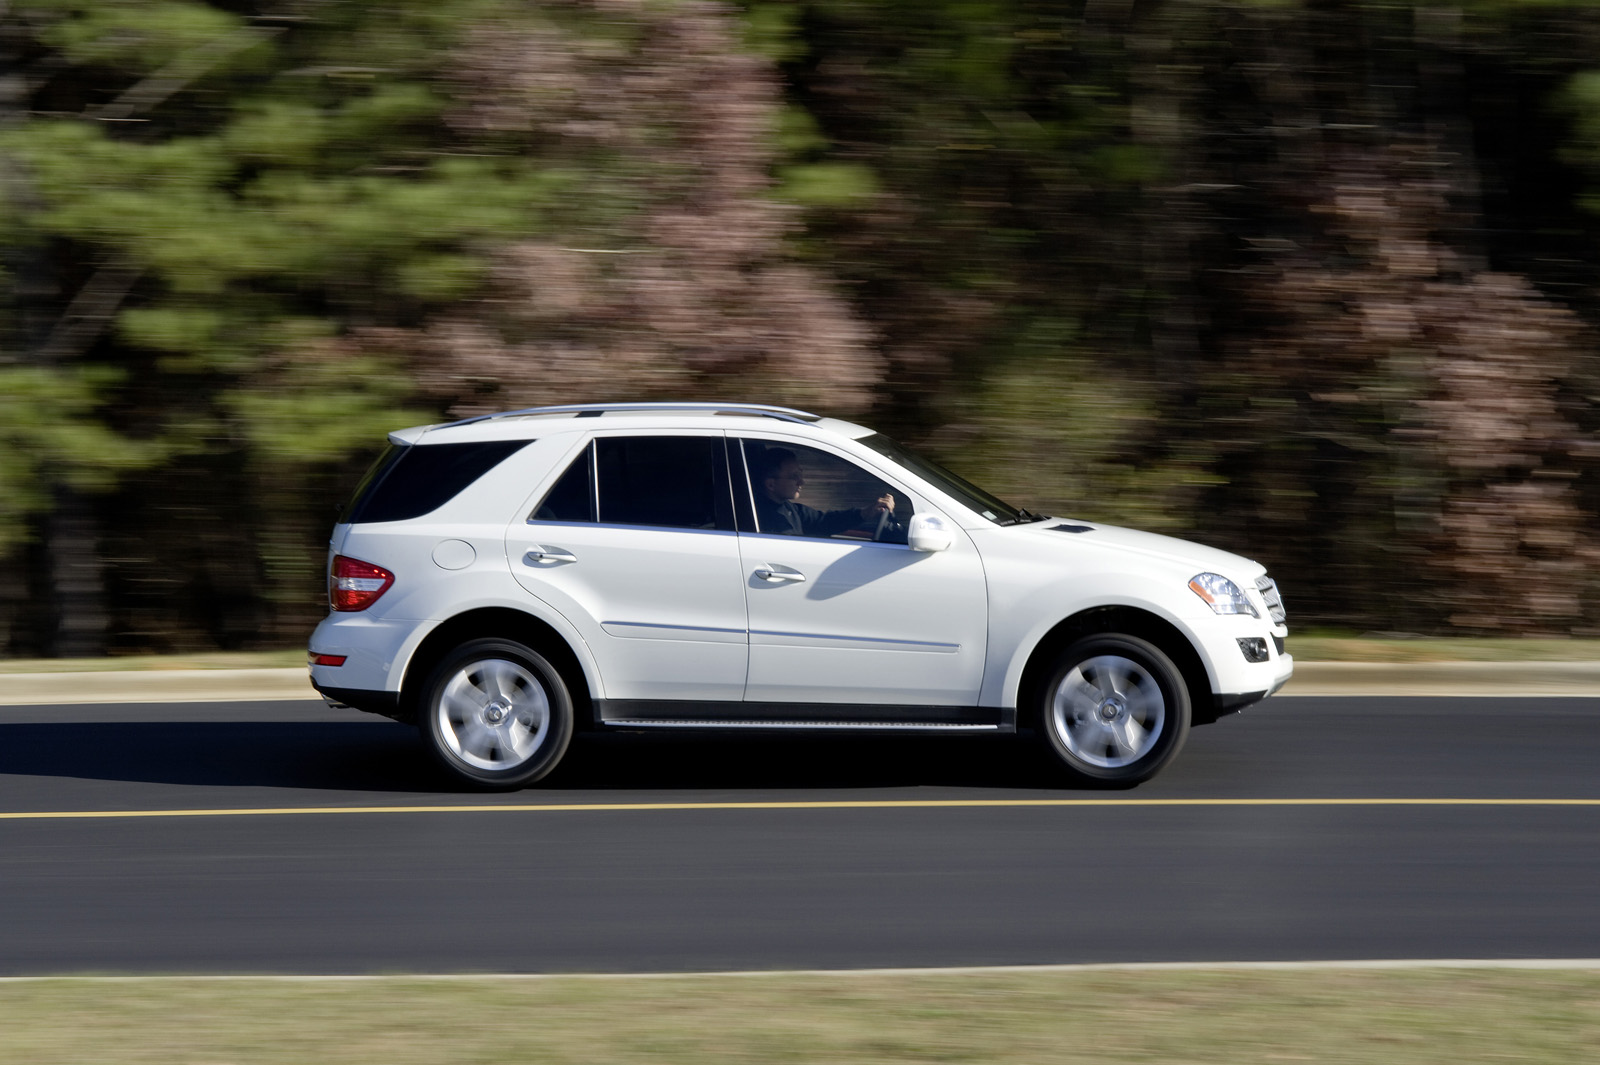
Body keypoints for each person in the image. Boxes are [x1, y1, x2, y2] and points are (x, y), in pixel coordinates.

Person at [753, 447, 899, 538]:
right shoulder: (768, 522)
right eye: (793, 477)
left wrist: (866, 513)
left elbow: (823, 521)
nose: (801, 482)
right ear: (771, 484)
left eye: (800, 474)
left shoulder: (787, 508)